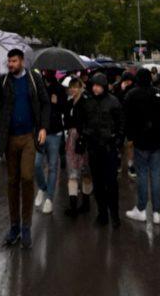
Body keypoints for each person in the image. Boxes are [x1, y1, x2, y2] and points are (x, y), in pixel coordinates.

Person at [0, 48, 50, 249]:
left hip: (29, 136)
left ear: (22, 62)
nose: (10, 64)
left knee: (27, 178)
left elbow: (45, 104)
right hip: (10, 138)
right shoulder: (3, 81)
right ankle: (14, 227)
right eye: (9, 61)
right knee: (12, 182)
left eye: (14, 61)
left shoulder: (34, 80)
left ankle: (26, 226)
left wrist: (43, 127)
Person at [124, 68, 160, 224]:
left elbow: (126, 117)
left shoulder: (131, 95)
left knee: (143, 175)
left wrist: (131, 135)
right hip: (157, 140)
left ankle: (141, 208)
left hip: (140, 141)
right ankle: (157, 211)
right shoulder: (158, 93)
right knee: (157, 175)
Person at [82, 72, 124, 229]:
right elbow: (84, 121)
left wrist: (118, 140)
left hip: (109, 148)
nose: (95, 88)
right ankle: (102, 214)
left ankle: (115, 215)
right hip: (94, 148)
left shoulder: (113, 102)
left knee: (111, 184)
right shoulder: (88, 101)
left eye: (98, 85)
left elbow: (121, 122)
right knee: (98, 184)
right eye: (94, 85)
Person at [34, 70, 65, 216]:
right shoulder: (38, 87)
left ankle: (50, 199)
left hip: (55, 132)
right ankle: (42, 187)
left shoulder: (59, 88)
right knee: (37, 164)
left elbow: (65, 106)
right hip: (41, 131)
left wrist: (57, 102)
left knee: (53, 166)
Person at [62, 76, 94, 217]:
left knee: (86, 172)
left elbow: (89, 122)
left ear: (81, 87)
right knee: (72, 173)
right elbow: (67, 122)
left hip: (84, 141)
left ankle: (86, 203)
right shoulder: (69, 104)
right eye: (71, 87)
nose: (73, 89)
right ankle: (73, 206)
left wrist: (83, 134)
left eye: (76, 86)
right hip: (71, 141)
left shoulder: (86, 102)